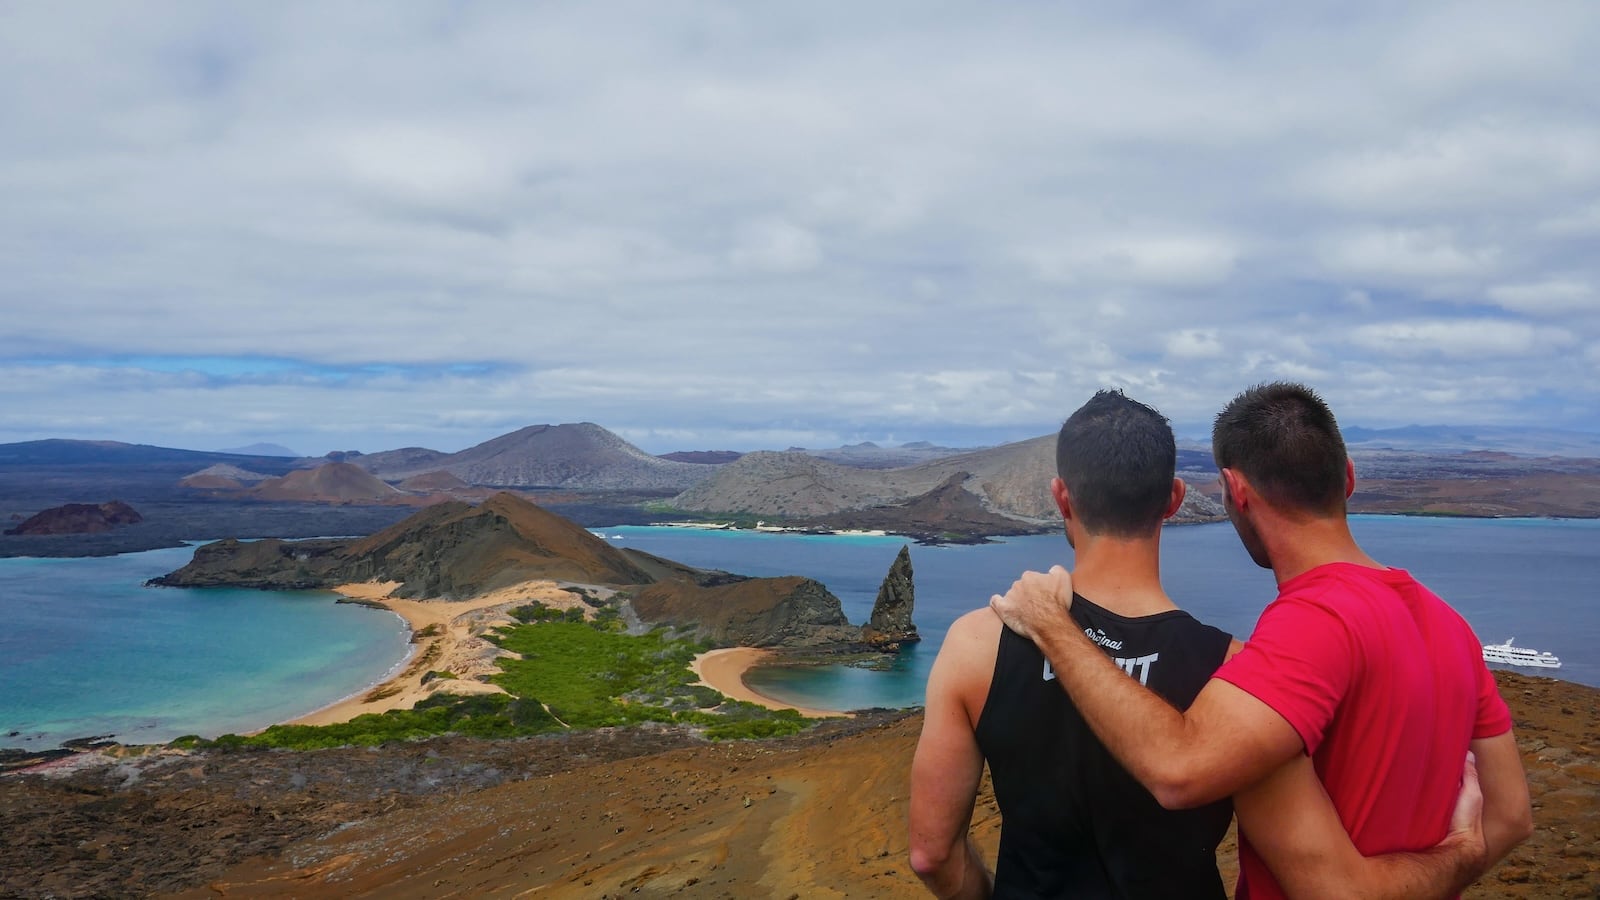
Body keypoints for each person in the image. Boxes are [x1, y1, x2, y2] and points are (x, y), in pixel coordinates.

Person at [910, 389, 1488, 899]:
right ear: (1175, 499)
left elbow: (932, 855)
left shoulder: (975, 644)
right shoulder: (1240, 670)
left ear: (1063, 498)